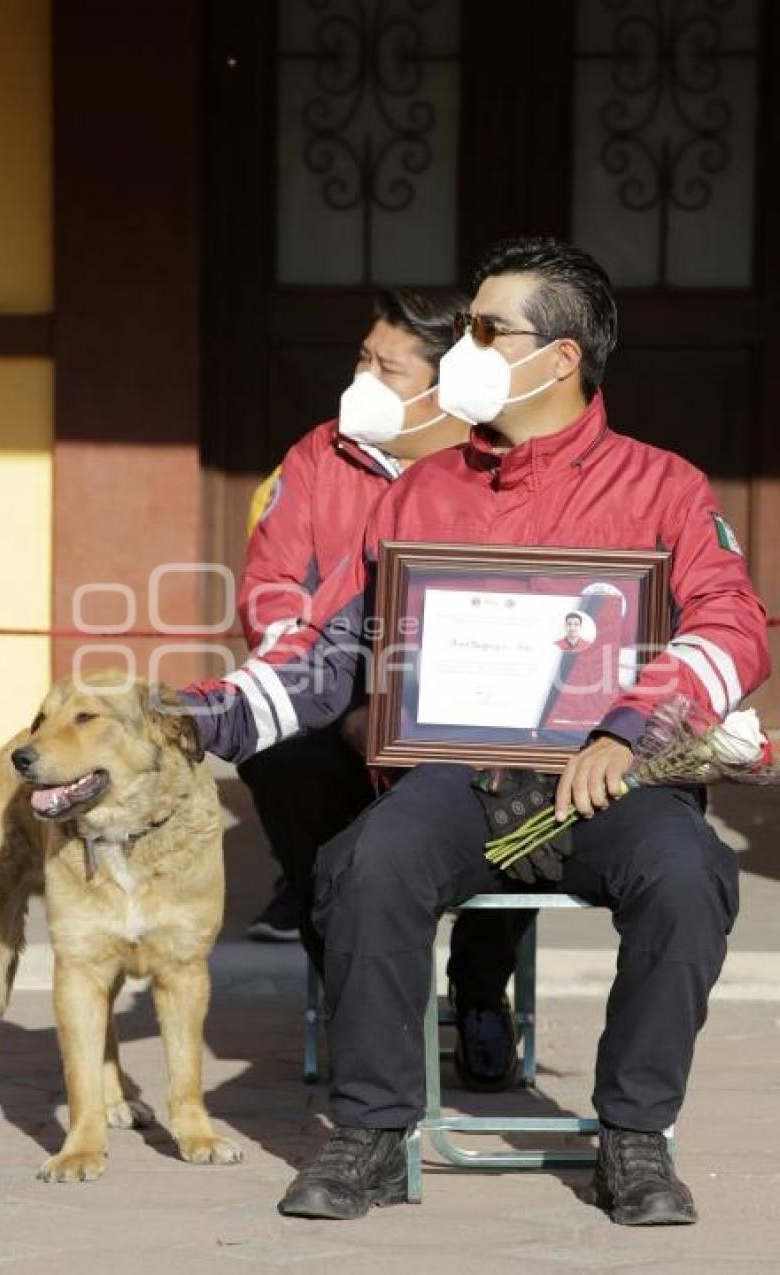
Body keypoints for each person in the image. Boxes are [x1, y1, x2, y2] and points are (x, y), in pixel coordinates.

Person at [183, 237, 769, 1227]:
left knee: (688, 878)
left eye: (486, 329)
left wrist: (626, 732)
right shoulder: (420, 489)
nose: (465, 346)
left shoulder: (664, 486)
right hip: (453, 780)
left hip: (614, 786)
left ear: (559, 357)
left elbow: (731, 623)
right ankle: (370, 1135)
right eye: (464, 328)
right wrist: (206, 715)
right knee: (365, 865)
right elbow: (331, 650)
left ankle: (632, 1139)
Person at [237, 288, 524, 1086]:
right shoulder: (316, 456)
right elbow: (271, 587)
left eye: (387, 366)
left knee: (534, 768)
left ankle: (477, 990)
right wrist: (337, 695)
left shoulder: (503, 459)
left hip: (466, 711)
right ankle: (354, 994)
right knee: (281, 760)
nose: (361, 376)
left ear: (446, 385)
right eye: (362, 357)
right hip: (341, 703)